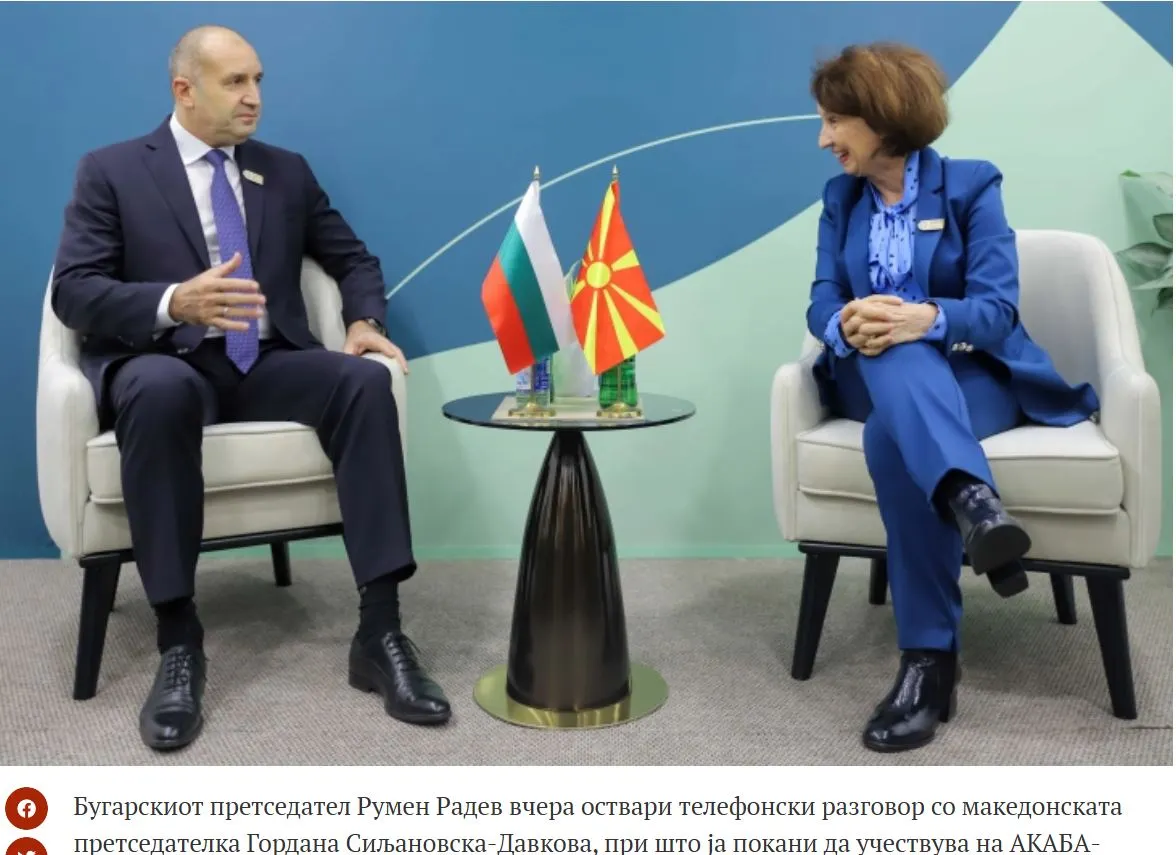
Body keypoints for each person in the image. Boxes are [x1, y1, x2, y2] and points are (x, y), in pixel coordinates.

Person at [51, 25, 450, 751]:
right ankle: (179, 639)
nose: (254, 97)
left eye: (258, 79)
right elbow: (75, 291)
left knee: (364, 383)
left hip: (266, 362)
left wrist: (362, 321)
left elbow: (352, 258)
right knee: (159, 391)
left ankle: (381, 631)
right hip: (166, 361)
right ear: (185, 90)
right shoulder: (112, 170)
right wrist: (174, 302)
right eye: (235, 81)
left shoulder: (284, 171)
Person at [804, 43, 1098, 753]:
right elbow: (821, 300)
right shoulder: (841, 200)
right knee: (892, 352)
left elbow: (996, 311)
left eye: (835, 119)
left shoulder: (970, 185)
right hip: (873, 376)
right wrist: (846, 324)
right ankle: (973, 502)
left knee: (891, 439)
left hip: (974, 379)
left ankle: (929, 664)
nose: (823, 138)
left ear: (881, 117)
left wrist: (925, 317)